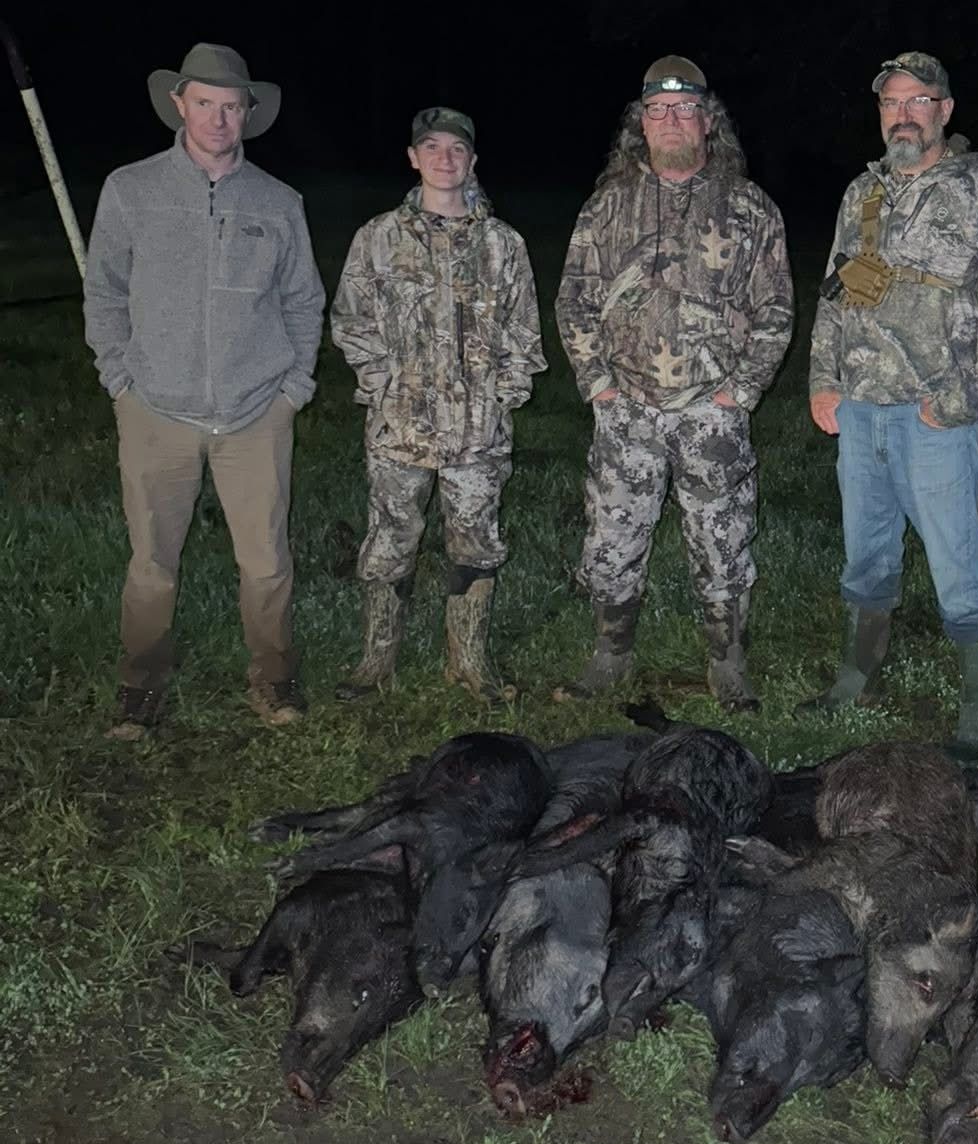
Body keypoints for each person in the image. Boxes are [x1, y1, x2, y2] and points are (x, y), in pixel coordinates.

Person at [83, 41, 326, 739]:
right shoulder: (131, 189)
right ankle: (141, 683)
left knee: (268, 561)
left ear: (249, 114)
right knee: (153, 562)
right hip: (155, 409)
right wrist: (119, 379)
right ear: (178, 106)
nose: (219, 119)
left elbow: (303, 300)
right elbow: (105, 292)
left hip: (255, 412)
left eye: (231, 107)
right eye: (205, 105)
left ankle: (274, 675)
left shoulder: (279, 202)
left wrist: (294, 387)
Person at [805, 51, 978, 759]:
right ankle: (857, 675)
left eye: (917, 100)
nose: (903, 114)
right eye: (891, 103)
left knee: (956, 559)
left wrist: (959, 402)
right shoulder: (860, 194)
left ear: (945, 111)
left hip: (934, 414)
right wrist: (821, 379)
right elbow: (835, 292)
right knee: (866, 555)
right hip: (861, 409)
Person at [555, 55, 792, 710]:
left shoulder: (748, 209)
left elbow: (775, 312)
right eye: (657, 110)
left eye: (684, 108)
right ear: (641, 124)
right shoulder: (608, 206)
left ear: (707, 122)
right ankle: (610, 651)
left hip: (710, 409)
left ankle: (727, 660)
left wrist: (739, 393)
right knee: (613, 533)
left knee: (722, 538)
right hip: (626, 405)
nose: (670, 121)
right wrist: (598, 385)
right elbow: (573, 301)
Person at [330, 106, 545, 700]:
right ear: (412, 158)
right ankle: (377, 663)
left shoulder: (503, 245)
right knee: (390, 538)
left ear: (472, 160)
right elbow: (351, 321)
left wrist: (503, 397)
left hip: (477, 434)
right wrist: (381, 386)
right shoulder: (377, 238)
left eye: (456, 149)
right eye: (431, 147)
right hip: (400, 428)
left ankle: (470, 663)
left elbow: (525, 334)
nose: (444, 158)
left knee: (476, 541)